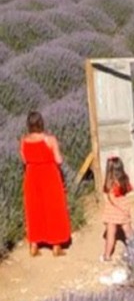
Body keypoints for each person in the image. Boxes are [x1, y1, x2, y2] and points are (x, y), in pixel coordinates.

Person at [20, 111, 71, 258]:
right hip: (49, 175)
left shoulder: (24, 140)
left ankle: (34, 245)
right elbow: (59, 160)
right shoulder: (50, 139)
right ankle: (56, 245)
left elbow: (24, 160)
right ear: (41, 123)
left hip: (32, 176)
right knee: (53, 207)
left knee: (34, 209)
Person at [100, 156, 133, 263]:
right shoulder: (125, 179)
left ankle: (107, 255)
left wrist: (116, 205)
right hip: (124, 207)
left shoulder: (110, 183)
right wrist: (124, 208)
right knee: (128, 231)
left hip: (112, 211)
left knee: (110, 235)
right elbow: (128, 190)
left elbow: (111, 198)